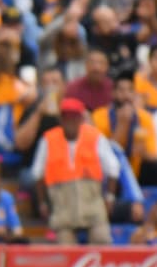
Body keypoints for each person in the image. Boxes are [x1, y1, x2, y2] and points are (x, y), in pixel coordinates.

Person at [32, 98, 119, 245]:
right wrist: (42, 203)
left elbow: (113, 168)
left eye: (74, 117)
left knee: (102, 239)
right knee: (66, 248)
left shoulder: (95, 137)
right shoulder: (49, 139)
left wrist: (110, 197)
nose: (70, 121)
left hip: (92, 203)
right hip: (62, 206)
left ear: (81, 118)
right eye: (67, 117)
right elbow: (37, 174)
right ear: (61, 119)